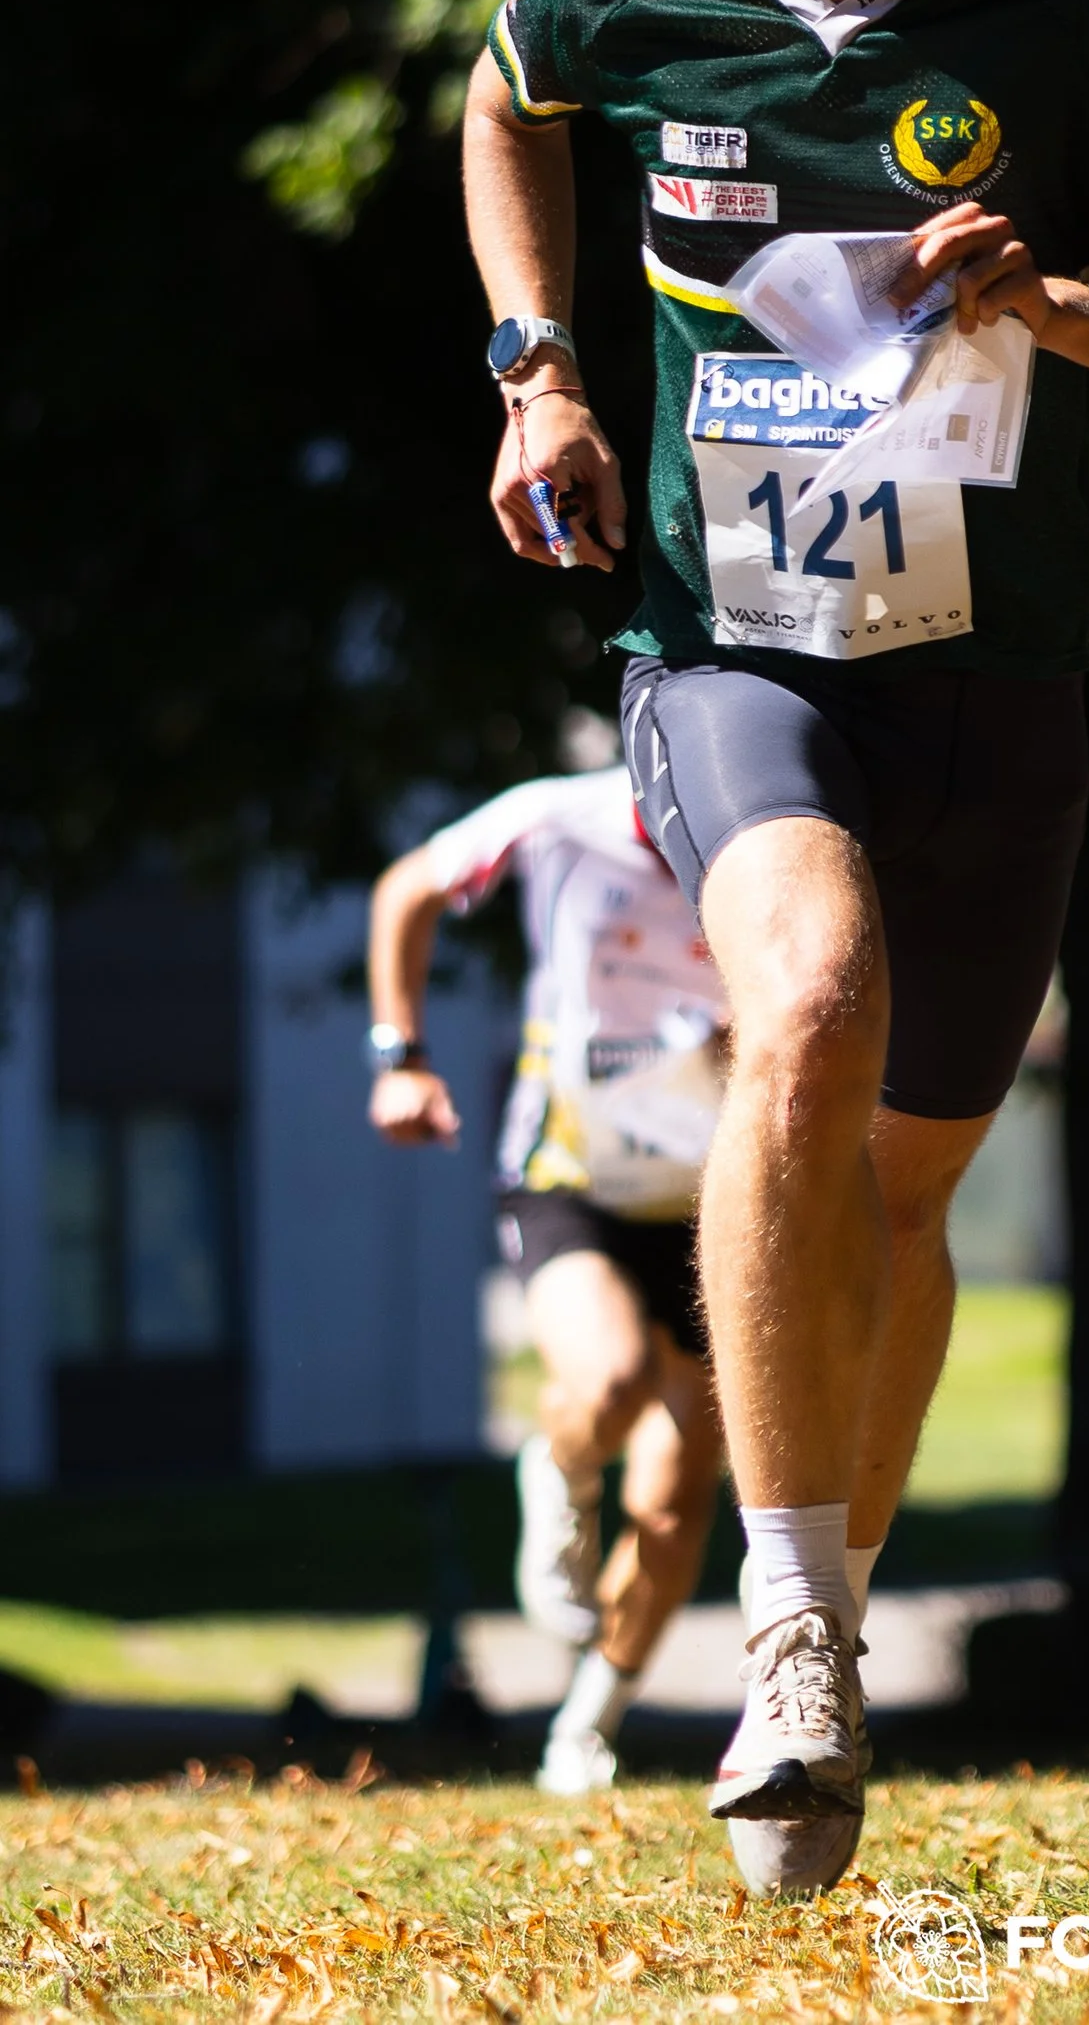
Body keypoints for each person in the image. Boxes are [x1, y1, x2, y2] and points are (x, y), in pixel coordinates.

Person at [460, 0, 1089, 1890]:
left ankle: (821, 1609)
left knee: (907, 1194)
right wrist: (541, 370)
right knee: (802, 994)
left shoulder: (1082, 18)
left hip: (999, 672)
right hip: (725, 648)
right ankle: (793, 1629)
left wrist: (1065, 291)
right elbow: (505, 101)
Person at [367, 759, 729, 1796]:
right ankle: (557, 1468)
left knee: (674, 1500)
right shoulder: (553, 816)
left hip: (713, 1195)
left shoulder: (762, 825)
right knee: (609, 1376)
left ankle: (589, 1718)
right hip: (570, 1174)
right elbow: (407, 886)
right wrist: (401, 1053)